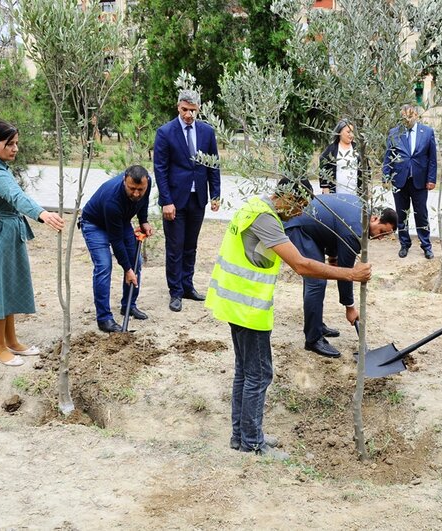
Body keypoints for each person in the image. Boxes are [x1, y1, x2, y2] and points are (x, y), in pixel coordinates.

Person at [205, 177, 372, 460]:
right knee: (259, 374)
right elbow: (301, 265)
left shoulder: (253, 207)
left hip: (233, 301)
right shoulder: (267, 218)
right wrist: (350, 274)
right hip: (248, 308)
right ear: (288, 198)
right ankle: (253, 443)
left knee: (245, 372)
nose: (300, 214)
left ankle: (241, 436)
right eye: (300, 206)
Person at [0, 119, 64, 367]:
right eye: (9, 144)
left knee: (7, 286)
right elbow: (15, 195)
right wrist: (42, 214)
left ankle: (11, 341)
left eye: (16, 143)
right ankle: (0, 348)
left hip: (3, 231)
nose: (15, 149)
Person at [285, 194, 397, 358]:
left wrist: (333, 255)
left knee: (317, 281)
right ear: (374, 218)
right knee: (316, 281)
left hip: (313, 230)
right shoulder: (355, 231)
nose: (379, 238)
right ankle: (313, 339)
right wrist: (349, 307)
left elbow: (333, 228)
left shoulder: (363, 208)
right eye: (381, 232)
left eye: (384, 235)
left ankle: (316, 325)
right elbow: (346, 274)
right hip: (299, 227)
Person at [153, 89, 221, 313]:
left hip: (198, 198)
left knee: (191, 245)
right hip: (175, 199)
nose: (188, 115)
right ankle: (175, 292)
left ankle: (188, 285)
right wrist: (166, 201)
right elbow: (160, 169)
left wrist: (215, 194)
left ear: (198, 109)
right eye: (184, 110)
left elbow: (213, 164)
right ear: (178, 107)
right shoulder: (165, 132)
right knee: (175, 246)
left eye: (192, 111)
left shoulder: (207, 132)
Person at [80, 165, 153, 333]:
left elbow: (144, 202)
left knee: (137, 263)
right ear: (124, 181)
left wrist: (143, 220)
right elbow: (116, 241)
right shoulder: (112, 200)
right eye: (131, 189)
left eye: (140, 189)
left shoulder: (146, 184)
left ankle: (129, 305)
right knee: (104, 266)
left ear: (146, 183)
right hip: (94, 224)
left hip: (120, 221)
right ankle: (104, 319)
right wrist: (127, 269)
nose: (136, 193)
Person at [383, 104, 437, 260]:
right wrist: (386, 176)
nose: (407, 119)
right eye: (404, 116)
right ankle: (404, 244)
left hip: (420, 181)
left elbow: (432, 159)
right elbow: (388, 156)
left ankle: (426, 245)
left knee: (421, 214)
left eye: (410, 116)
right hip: (399, 180)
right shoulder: (394, 133)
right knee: (401, 214)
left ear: (416, 116)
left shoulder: (427, 132)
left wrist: (431, 179)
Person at [319, 119, 362, 195]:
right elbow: (323, 167)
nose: (351, 135)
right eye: (348, 132)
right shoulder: (331, 149)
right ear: (340, 132)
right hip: (335, 194)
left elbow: (366, 169)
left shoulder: (358, 149)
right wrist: (325, 188)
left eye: (352, 132)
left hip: (355, 195)